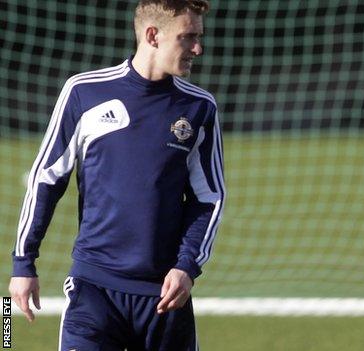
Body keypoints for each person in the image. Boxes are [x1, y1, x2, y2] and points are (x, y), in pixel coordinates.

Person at [9, 0, 225, 349]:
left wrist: (187, 266)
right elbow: (46, 180)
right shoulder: (84, 92)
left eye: (198, 37)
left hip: (164, 296)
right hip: (94, 291)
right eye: (187, 37)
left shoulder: (200, 108)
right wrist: (23, 263)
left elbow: (209, 198)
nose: (198, 49)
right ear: (153, 35)